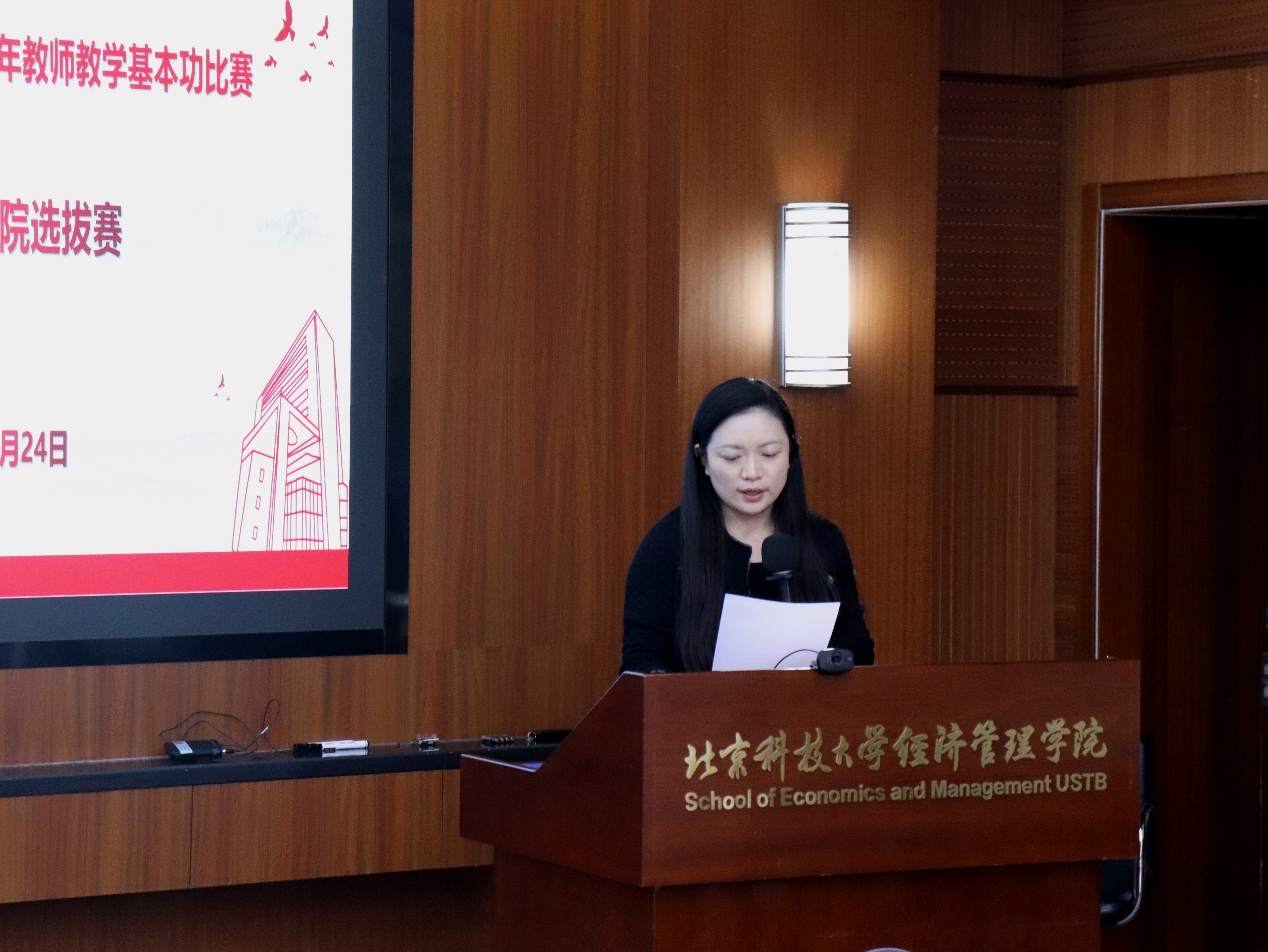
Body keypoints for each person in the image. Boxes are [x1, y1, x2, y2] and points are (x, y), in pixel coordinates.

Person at [621, 377, 873, 673]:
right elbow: (641, 666)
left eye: (769, 454)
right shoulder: (667, 546)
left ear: (791, 454)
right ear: (703, 460)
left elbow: (859, 652)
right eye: (732, 457)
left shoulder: (823, 539)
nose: (752, 473)